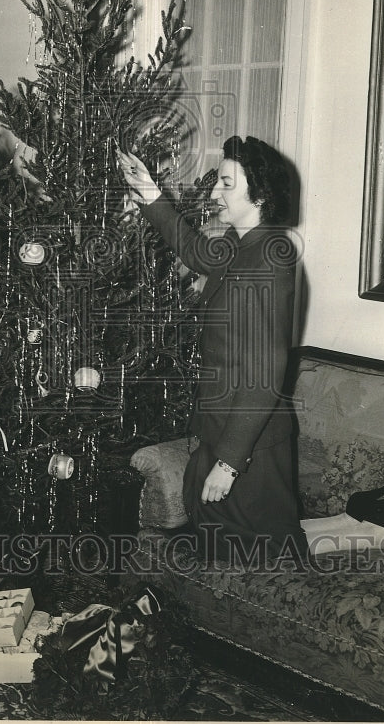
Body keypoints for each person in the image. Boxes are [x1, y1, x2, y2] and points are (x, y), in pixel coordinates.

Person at [118, 136, 308, 566]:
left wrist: (228, 463)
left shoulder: (271, 257)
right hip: (221, 430)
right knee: (221, 560)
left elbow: (266, 370)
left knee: (263, 568)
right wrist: (150, 192)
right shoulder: (242, 246)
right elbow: (193, 249)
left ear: (258, 193)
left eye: (226, 183)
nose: (214, 193)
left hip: (250, 445)